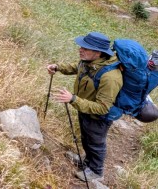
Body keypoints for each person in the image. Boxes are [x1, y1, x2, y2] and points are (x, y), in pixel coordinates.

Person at [46, 32, 123, 183]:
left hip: (99, 118)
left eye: (86, 48)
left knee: (96, 143)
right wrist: (58, 67)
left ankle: (96, 171)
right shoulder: (88, 62)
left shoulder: (110, 77)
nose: (80, 49)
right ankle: (86, 161)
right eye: (81, 46)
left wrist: (73, 99)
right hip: (84, 109)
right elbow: (77, 67)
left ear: (98, 52)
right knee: (85, 138)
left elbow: (103, 108)